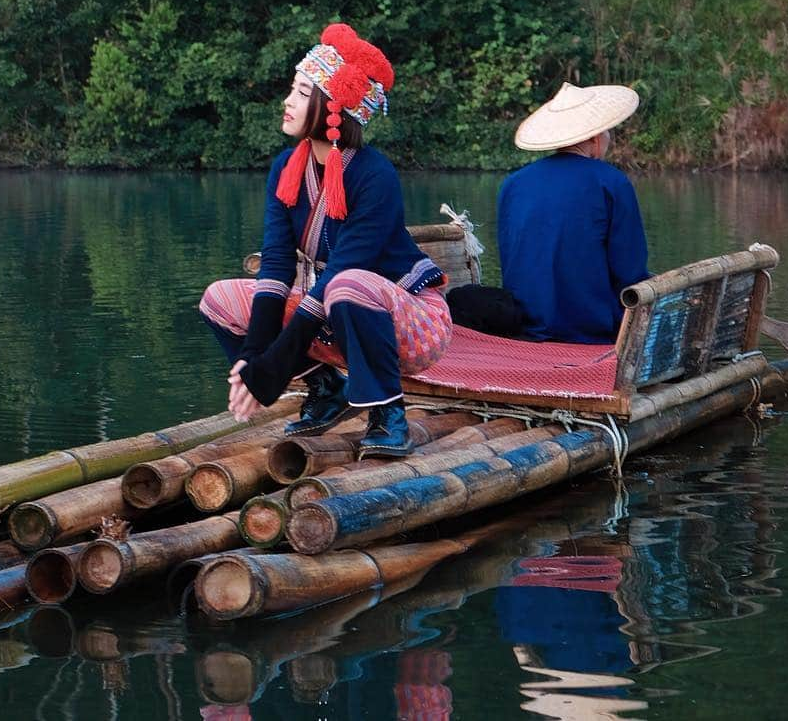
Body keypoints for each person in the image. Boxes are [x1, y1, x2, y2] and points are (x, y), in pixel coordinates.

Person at [199, 23, 451, 458]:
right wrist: (255, 358)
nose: (287, 101)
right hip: (334, 318)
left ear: (330, 106)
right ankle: (326, 387)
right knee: (218, 298)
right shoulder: (286, 167)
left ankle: (388, 415)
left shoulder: (375, 176)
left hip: (410, 323)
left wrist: (274, 370)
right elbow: (277, 265)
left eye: (300, 91)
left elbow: (339, 276)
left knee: (345, 283)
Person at [450, 82, 648, 344]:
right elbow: (630, 272)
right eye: (608, 132)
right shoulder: (611, 182)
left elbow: (514, 259)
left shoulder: (513, 183)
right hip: (593, 330)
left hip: (526, 324)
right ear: (594, 138)